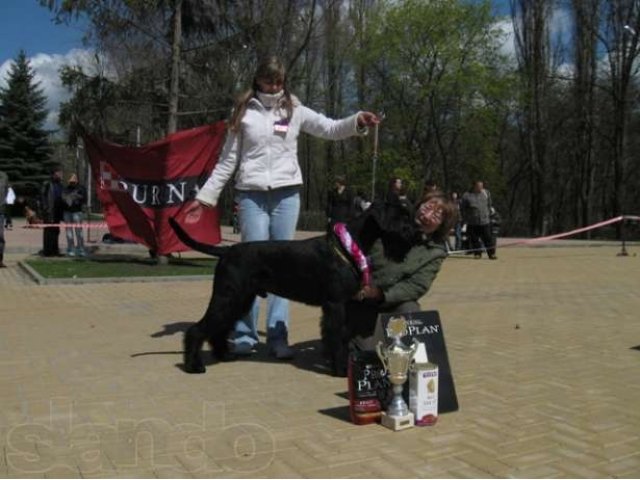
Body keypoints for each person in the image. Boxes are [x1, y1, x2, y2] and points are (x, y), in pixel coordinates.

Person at [184, 56, 380, 359]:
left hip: (287, 196)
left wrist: (356, 121)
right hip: (251, 195)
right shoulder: (242, 113)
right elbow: (227, 162)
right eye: (268, 80)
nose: (274, 86)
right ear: (258, 79)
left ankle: (278, 336)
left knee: (288, 271)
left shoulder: (295, 110)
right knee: (251, 268)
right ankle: (246, 336)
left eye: (279, 81)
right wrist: (204, 198)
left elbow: (329, 128)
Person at [345, 189, 458, 351]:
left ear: (442, 225)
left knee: (410, 309)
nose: (427, 216)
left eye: (437, 215)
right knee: (365, 352)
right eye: (428, 207)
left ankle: (398, 349)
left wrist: (381, 294)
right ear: (420, 204)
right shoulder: (390, 219)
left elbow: (416, 285)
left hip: (390, 299)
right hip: (359, 295)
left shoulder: (436, 252)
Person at [460, 180, 497, 260]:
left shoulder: (486, 193)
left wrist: (489, 215)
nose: (481, 188)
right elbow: (463, 208)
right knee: (474, 239)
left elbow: (489, 204)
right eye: (479, 186)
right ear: (474, 186)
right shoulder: (466, 195)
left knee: (488, 238)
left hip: (485, 221)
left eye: (482, 186)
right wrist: (465, 218)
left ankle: (491, 254)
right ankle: (477, 253)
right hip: (472, 221)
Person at [40, 167, 64, 257]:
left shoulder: (60, 185)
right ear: (54, 174)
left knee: (56, 231)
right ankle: (47, 251)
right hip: (49, 211)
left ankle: (55, 250)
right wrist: (45, 208)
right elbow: (43, 197)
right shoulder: (47, 184)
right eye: (59, 173)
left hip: (58, 212)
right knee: (48, 232)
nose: (61, 175)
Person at [62, 173, 87, 257]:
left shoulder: (81, 188)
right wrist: (68, 198)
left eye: (74, 181)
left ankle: (81, 249)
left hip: (77, 212)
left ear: (76, 181)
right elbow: (63, 199)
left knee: (79, 232)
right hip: (67, 212)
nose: (72, 183)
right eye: (71, 181)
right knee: (69, 232)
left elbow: (84, 199)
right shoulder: (66, 189)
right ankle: (71, 249)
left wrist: (77, 197)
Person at [0, 171, 8, 268]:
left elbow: (5, 193)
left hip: (0, 210)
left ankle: (0, 260)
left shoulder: (3, 176)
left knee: (0, 236)